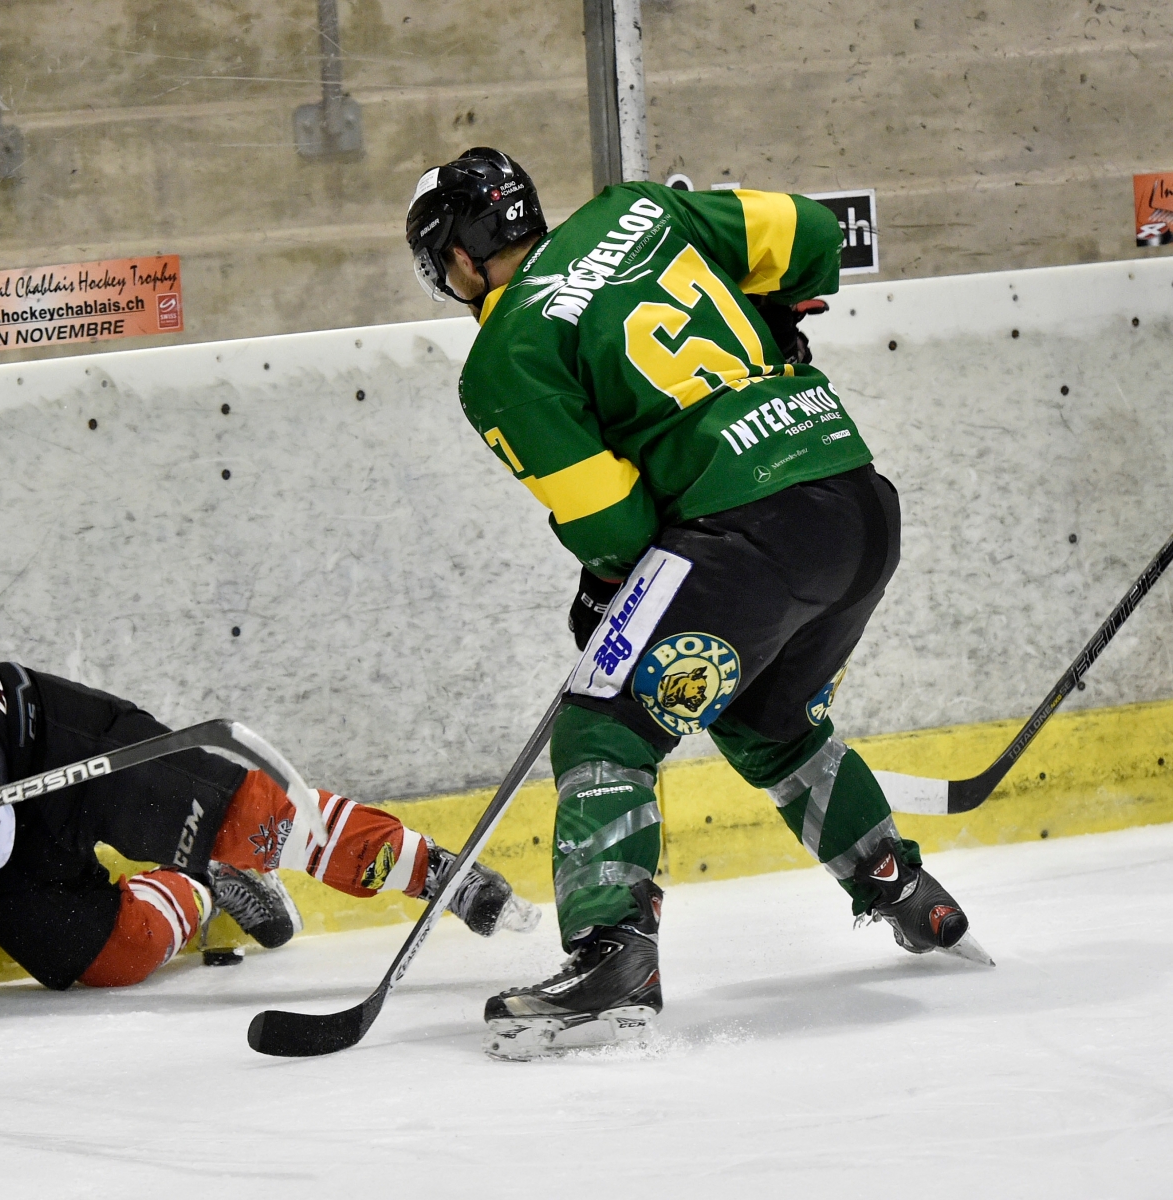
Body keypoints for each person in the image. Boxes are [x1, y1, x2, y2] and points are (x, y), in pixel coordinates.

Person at [404, 148, 988, 1060]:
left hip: (747, 530)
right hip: (857, 504)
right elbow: (812, 234)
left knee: (603, 726)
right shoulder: (635, 211)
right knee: (770, 720)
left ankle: (614, 956)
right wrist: (772, 308)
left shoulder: (503, 356)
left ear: (462, 259)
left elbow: (612, 519)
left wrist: (610, 581)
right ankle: (904, 892)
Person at [0, 662, 538, 1064]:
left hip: (18, 745)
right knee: (114, 956)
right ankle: (198, 890)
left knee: (249, 821)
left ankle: (432, 870)